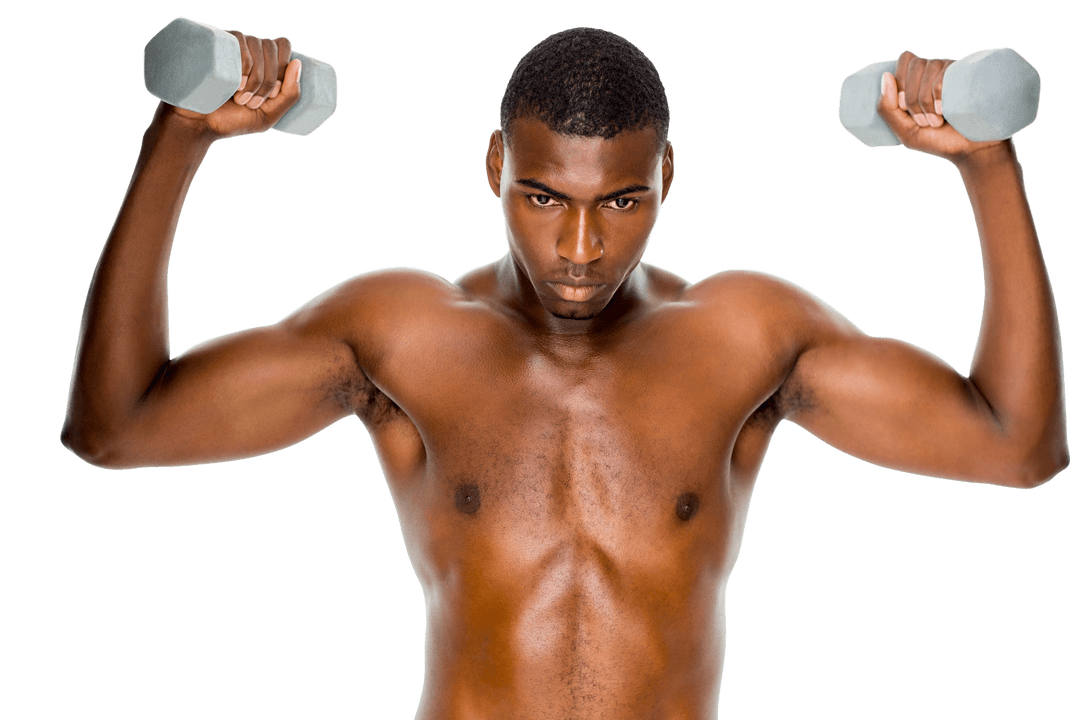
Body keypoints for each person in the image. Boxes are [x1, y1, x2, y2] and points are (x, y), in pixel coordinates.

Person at [60, 26, 1068, 720]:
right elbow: (119, 425)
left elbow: (1017, 447)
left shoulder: (742, 336)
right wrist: (180, 134)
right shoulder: (404, 335)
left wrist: (988, 164)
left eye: (622, 202)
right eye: (543, 197)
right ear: (496, 165)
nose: (580, 246)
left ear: (667, 177)